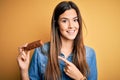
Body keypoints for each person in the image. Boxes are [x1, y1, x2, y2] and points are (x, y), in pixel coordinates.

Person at [17, 1, 97, 80]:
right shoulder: (40, 52)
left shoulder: (89, 54)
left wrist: (80, 78)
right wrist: (23, 70)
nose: (71, 26)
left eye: (75, 20)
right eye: (64, 21)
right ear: (56, 25)